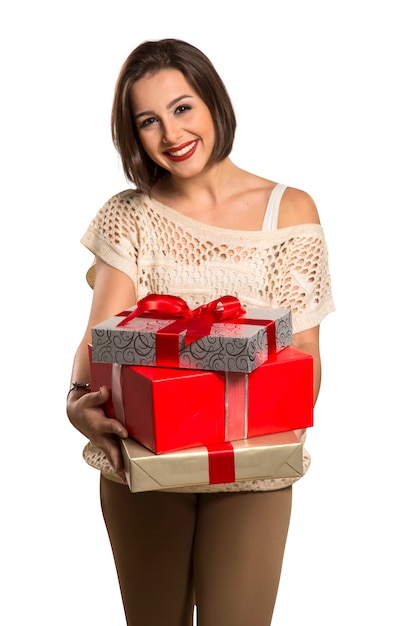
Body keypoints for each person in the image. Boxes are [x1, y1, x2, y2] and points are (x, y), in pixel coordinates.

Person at [66, 38, 335, 626]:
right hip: (142, 458)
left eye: (183, 108)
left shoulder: (289, 211)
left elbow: (306, 359)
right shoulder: (129, 214)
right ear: (133, 134)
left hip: (252, 465)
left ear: (213, 102)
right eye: (148, 121)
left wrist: (234, 418)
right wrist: (76, 407)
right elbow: (98, 346)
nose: (171, 134)